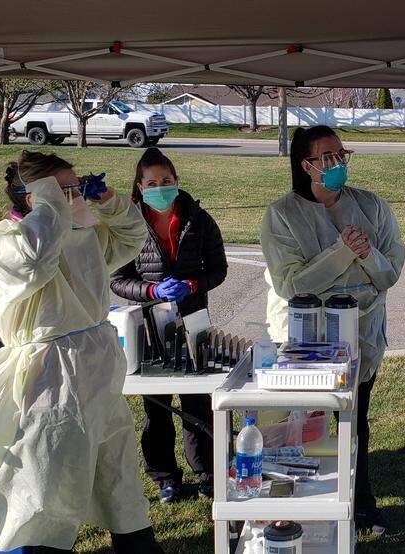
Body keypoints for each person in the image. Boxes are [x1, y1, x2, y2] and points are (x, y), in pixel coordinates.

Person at [0, 151, 161, 553]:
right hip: (50, 377)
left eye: (76, 187)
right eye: (65, 190)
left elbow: (132, 237)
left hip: (97, 367)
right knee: (43, 483)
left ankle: (137, 545)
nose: (75, 196)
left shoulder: (82, 233)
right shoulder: (8, 240)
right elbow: (36, 259)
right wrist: (51, 201)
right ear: (35, 198)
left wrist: (109, 200)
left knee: (118, 477)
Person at [260, 125, 405, 534]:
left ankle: (361, 504)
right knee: (305, 426)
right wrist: (343, 253)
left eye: (342, 154)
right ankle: (301, 507)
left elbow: (390, 273)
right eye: (327, 157)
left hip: (361, 337)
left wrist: (368, 253)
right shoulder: (282, 215)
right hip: (307, 343)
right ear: (306, 165)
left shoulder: (372, 207)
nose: (338, 163)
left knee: (354, 422)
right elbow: (292, 285)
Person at [110, 147, 228, 503]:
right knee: (156, 408)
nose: (160, 186)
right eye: (152, 182)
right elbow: (118, 280)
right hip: (147, 327)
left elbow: (218, 269)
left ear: (177, 182)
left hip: (193, 323)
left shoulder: (199, 219)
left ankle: (207, 471)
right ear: (139, 186)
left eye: (166, 181)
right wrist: (152, 290)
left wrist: (192, 285)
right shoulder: (128, 224)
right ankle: (165, 476)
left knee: (197, 404)